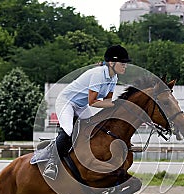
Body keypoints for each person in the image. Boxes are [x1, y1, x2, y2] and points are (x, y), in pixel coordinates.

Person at [43, 45, 131, 179]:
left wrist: (119, 106)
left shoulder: (114, 78)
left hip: (81, 105)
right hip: (67, 102)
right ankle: (52, 163)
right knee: (68, 130)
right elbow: (93, 102)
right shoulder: (98, 75)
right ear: (112, 63)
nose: (125, 66)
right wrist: (115, 104)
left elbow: (107, 102)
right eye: (123, 63)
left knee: (94, 128)